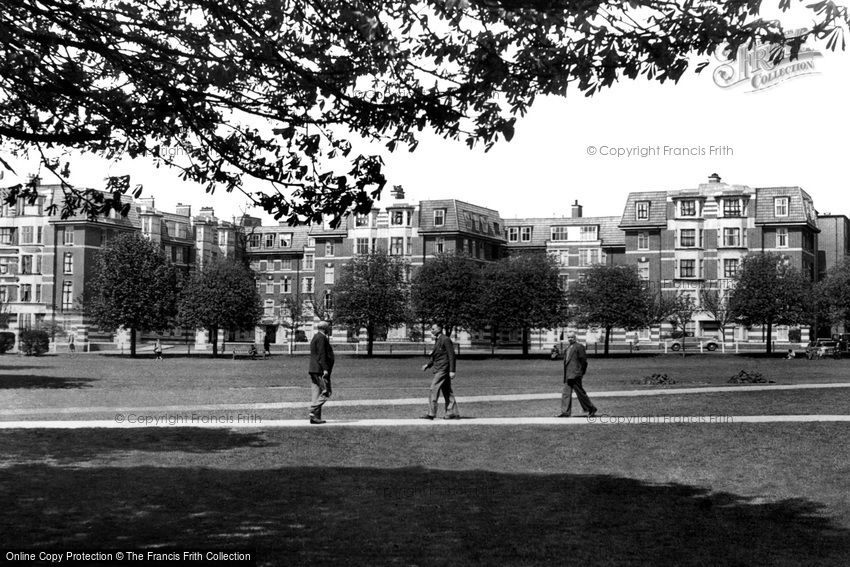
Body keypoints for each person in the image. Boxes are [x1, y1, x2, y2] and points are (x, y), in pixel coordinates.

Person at [421, 324, 460, 420]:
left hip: (443, 369)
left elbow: (452, 356)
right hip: (439, 368)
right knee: (447, 391)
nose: (431, 330)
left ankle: (431, 413)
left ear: (439, 329)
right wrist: (428, 365)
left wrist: (452, 371)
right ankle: (451, 413)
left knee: (433, 389)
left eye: (433, 329)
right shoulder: (438, 340)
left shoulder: (445, 339)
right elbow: (436, 355)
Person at [556, 333, 598, 418]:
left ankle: (591, 408)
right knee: (566, 393)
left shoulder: (579, 346)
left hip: (575, 375)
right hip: (568, 375)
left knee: (580, 393)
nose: (570, 339)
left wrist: (581, 373)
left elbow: (584, 361)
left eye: (572, 337)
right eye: (569, 337)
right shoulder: (568, 348)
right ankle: (565, 412)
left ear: (575, 338)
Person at [307, 321, 334, 424]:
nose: (329, 329)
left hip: (313, 369)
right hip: (319, 370)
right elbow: (322, 354)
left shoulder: (315, 336)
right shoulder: (322, 338)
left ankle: (314, 418)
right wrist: (325, 369)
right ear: (325, 328)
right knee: (326, 392)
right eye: (328, 327)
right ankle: (312, 409)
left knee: (316, 393)